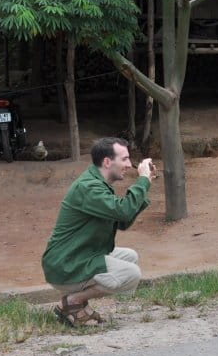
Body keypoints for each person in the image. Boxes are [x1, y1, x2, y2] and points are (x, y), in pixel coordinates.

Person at [42, 137, 155, 327]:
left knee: (130, 257)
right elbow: (123, 211)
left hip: (77, 256)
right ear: (107, 162)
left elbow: (122, 221)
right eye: (125, 159)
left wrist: (145, 185)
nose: (129, 164)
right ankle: (73, 302)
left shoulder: (97, 184)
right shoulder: (89, 187)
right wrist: (142, 180)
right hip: (65, 264)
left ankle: (77, 305)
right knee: (131, 274)